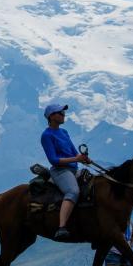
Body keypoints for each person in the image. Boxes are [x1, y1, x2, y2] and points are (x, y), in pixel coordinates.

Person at [40, 103, 91, 241]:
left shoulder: (64, 132)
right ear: (51, 116)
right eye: (60, 113)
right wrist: (76, 158)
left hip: (73, 169)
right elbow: (53, 160)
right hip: (60, 171)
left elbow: (73, 150)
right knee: (73, 191)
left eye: (63, 113)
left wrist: (83, 159)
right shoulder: (47, 135)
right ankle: (61, 227)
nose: (64, 115)